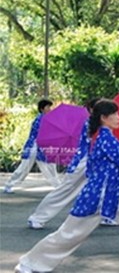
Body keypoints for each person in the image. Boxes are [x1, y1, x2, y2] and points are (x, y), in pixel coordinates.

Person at [14, 100, 119, 273]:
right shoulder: (105, 139)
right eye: (115, 114)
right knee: (68, 235)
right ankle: (28, 263)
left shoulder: (106, 137)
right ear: (104, 118)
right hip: (95, 198)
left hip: (113, 196)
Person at [26, 98, 108, 229]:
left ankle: (107, 215)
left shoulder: (100, 125)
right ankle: (38, 217)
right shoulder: (90, 124)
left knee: (106, 186)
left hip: (95, 162)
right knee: (66, 190)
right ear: (93, 110)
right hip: (83, 162)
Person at [4, 99, 61, 193]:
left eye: (50, 107)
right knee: (25, 167)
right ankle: (9, 185)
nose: (50, 109)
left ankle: (58, 187)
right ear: (42, 109)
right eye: (48, 107)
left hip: (44, 147)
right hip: (33, 147)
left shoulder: (48, 119)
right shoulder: (39, 119)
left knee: (50, 166)